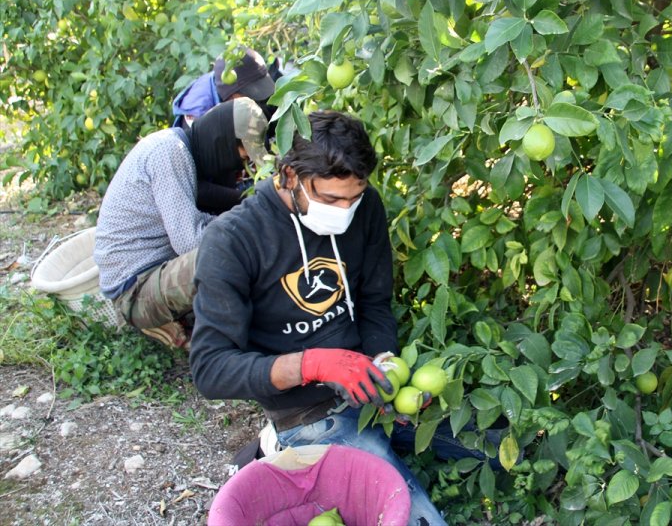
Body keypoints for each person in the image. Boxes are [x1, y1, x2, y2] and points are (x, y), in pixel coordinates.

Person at [190, 111, 456, 525]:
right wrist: (312, 364)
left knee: (492, 441)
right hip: (307, 412)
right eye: (331, 200)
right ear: (289, 176)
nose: (345, 211)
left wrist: (384, 366)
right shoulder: (233, 240)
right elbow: (210, 369)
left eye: (355, 197)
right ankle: (280, 446)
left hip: (367, 385)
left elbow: (374, 301)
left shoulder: (365, 207)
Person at [94, 98, 268, 349]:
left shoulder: (176, 146)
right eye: (240, 156)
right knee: (228, 252)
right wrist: (249, 226)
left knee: (233, 243)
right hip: (134, 292)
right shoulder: (170, 152)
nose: (239, 165)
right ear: (222, 142)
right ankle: (166, 323)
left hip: (150, 272)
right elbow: (191, 242)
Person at [171, 47, 277, 129]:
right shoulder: (200, 118)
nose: (255, 102)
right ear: (231, 95)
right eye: (251, 97)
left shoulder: (230, 76)